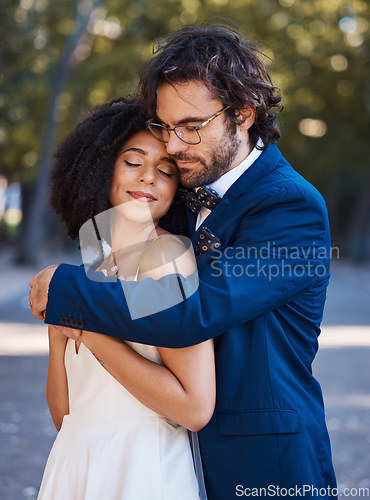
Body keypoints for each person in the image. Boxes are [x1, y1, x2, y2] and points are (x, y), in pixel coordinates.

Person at [30, 25, 337, 499]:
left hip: (263, 467)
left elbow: (192, 312)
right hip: (158, 461)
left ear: (243, 114)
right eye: (163, 126)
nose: (172, 146)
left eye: (190, 126)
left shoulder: (290, 207)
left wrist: (70, 296)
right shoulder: (153, 212)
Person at [36, 98, 215, 500]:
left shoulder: (167, 259)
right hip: (76, 464)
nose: (148, 177)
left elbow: (195, 408)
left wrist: (87, 331)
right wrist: (59, 334)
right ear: (101, 170)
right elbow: (66, 416)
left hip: (142, 469)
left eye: (165, 170)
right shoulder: (94, 263)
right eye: (133, 162)